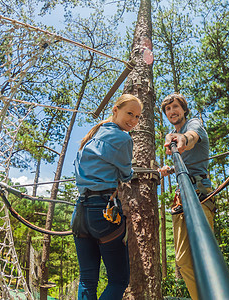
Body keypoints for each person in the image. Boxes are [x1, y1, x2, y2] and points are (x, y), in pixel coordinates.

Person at [71, 94, 142, 300]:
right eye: (130, 113)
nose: (133, 121)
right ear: (115, 110)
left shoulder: (92, 136)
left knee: (87, 279)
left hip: (80, 213)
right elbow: (126, 174)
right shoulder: (123, 138)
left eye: (137, 117)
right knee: (119, 280)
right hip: (102, 212)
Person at [158, 93, 215, 300]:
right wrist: (170, 169)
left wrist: (182, 139)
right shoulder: (172, 135)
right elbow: (185, 159)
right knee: (183, 260)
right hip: (181, 197)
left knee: (204, 254)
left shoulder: (194, 124)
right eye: (168, 109)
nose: (172, 111)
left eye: (175, 107)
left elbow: (191, 138)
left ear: (183, 109)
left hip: (200, 193)